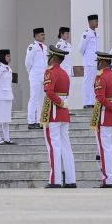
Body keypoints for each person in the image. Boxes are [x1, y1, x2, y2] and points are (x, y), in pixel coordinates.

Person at [41, 46, 75, 188]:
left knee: (54, 146)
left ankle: (54, 180)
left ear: (53, 58)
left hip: (54, 111)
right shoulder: (65, 73)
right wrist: (62, 103)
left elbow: (49, 92)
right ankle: (70, 180)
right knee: (66, 147)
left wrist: (59, 103)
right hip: (64, 112)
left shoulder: (50, 72)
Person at [92, 50, 112, 188]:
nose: (97, 64)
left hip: (106, 114)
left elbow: (100, 97)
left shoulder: (101, 77)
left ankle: (108, 178)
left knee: (105, 149)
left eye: (98, 62)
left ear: (103, 62)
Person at [24, 27, 47, 129]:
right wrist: (31, 72)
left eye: (43, 34)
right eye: (42, 35)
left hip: (44, 76)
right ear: (37, 36)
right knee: (34, 98)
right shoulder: (32, 47)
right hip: (35, 76)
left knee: (41, 99)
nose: (44, 36)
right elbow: (28, 62)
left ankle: (39, 120)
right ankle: (31, 121)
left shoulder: (45, 47)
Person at [0, 49, 14, 146]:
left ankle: (7, 138)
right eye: (7, 56)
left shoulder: (9, 68)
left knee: (6, 119)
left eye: (9, 55)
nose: (9, 57)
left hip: (8, 96)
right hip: (0, 96)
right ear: (3, 57)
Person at [78, 15, 100, 108]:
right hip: (89, 62)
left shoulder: (96, 34)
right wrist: (87, 57)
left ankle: (92, 101)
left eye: (97, 21)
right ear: (90, 22)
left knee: (93, 82)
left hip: (95, 62)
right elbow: (81, 48)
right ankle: (87, 102)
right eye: (95, 21)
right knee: (87, 82)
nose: (97, 23)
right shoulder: (86, 33)